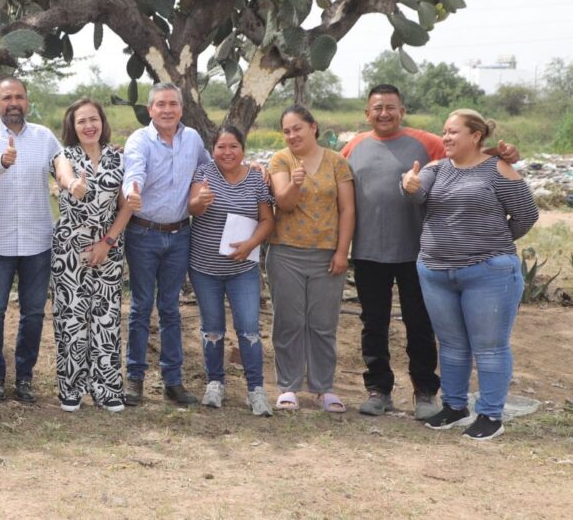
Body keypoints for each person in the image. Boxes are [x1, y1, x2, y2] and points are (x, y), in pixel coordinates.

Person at [343, 84, 520, 420]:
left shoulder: (429, 143)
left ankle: (425, 390)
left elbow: (471, 154)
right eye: (377, 108)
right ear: (367, 113)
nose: (384, 113)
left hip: (421, 253)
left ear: (402, 111)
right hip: (367, 252)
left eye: (391, 107)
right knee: (373, 324)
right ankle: (379, 388)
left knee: (420, 323)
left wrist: (506, 154)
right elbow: (330, 177)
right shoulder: (354, 146)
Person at [402, 109, 538, 440]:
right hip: (436, 272)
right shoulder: (436, 169)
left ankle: (491, 415)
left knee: (490, 346)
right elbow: (418, 194)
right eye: (444, 132)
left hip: (488, 273)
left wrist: (490, 242)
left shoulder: (498, 169)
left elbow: (525, 215)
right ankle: (454, 407)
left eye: (453, 132)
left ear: (475, 136)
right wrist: (408, 184)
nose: (445, 137)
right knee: (451, 345)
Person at [0, 77, 62, 403]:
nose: (13, 102)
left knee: (34, 312)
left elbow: (64, 167)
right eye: (6, 97)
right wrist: (2, 162)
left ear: (27, 101)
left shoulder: (44, 137)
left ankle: (24, 377)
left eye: (19, 97)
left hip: (38, 239)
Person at [121, 83, 210, 407]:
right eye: (160, 104)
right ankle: (135, 380)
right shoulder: (139, 140)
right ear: (150, 109)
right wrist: (133, 190)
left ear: (181, 109)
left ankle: (173, 381)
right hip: (143, 234)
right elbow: (135, 171)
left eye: (173, 103)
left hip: (180, 234)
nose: (167, 109)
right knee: (142, 307)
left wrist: (247, 170)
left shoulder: (193, 139)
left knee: (171, 308)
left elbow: (206, 166)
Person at [50, 98, 139, 413]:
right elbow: (63, 174)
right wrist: (73, 183)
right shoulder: (65, 155)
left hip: (108, 246)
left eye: (93, 119)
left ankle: (108, 388)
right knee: (71, 317)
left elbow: (126, 204)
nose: (88, 126)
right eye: (81, 121)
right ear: (72, 127)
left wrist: (108, 241)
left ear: (102, 122)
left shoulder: (119, 158)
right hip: (70, 248)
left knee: (106, 316)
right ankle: (71, 388)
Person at [267, 105, 355, 413]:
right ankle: (288, 386)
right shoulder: (281, 160)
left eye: (298, 128)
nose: (292, 135)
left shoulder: (337, 162)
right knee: (288, 322)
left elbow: (347, 209)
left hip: (326, 255)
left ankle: (323, 388)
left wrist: (342, 251)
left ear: (313, 127)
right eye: (287, 130)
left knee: (322, 323)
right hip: (285, 252)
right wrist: (295, 182)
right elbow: (284, 203)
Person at [186, 125, 275, 417]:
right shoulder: (204, 174)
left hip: (243, 269)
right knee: (212, 330)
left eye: (233, 146)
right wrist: (199, 202)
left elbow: (267, 220)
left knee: (249, 330)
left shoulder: (256, 178)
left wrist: (250, 244)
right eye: (221, 147)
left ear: (243, 149)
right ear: (213, 150)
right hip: (204, 268)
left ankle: (256, 390)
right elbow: (193, 208)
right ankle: (214, 384)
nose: (227, 152)